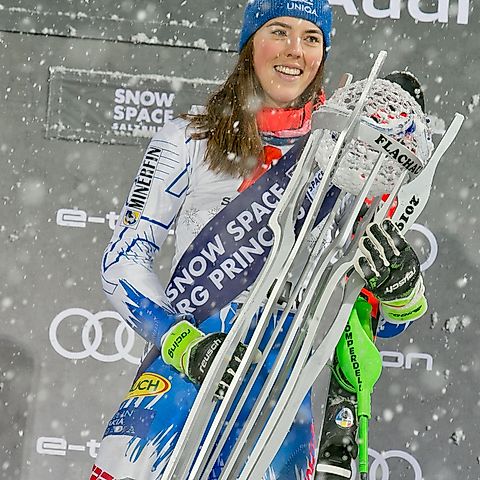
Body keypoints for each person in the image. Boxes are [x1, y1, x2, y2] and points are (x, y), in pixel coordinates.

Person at [93, 1, 431, 479]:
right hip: (185, 377)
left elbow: (376, 320)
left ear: (323, 52)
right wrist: (184, 343)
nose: (295, 50)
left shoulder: (350, 157)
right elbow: (122, 262)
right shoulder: (189, 139)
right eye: (279, 31)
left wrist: (402, 289)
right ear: (250, 42)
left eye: (311, 38)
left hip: (280, 404)